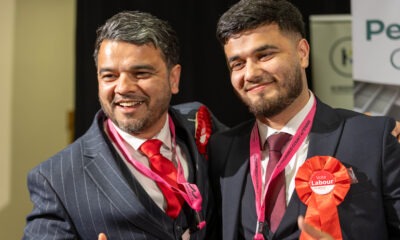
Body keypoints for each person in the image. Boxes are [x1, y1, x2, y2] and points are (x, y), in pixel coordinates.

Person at [23, 11, 226, 240]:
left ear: (174, 78)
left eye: (140, 73)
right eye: (109, 76)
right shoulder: (56, 178)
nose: (123, 87)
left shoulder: (200, 122)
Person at [208, 0, 400, 239]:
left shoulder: (373, 137)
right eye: (238, 64)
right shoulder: (222, 149)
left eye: (265, 55)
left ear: (302, 53)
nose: (251, 73)